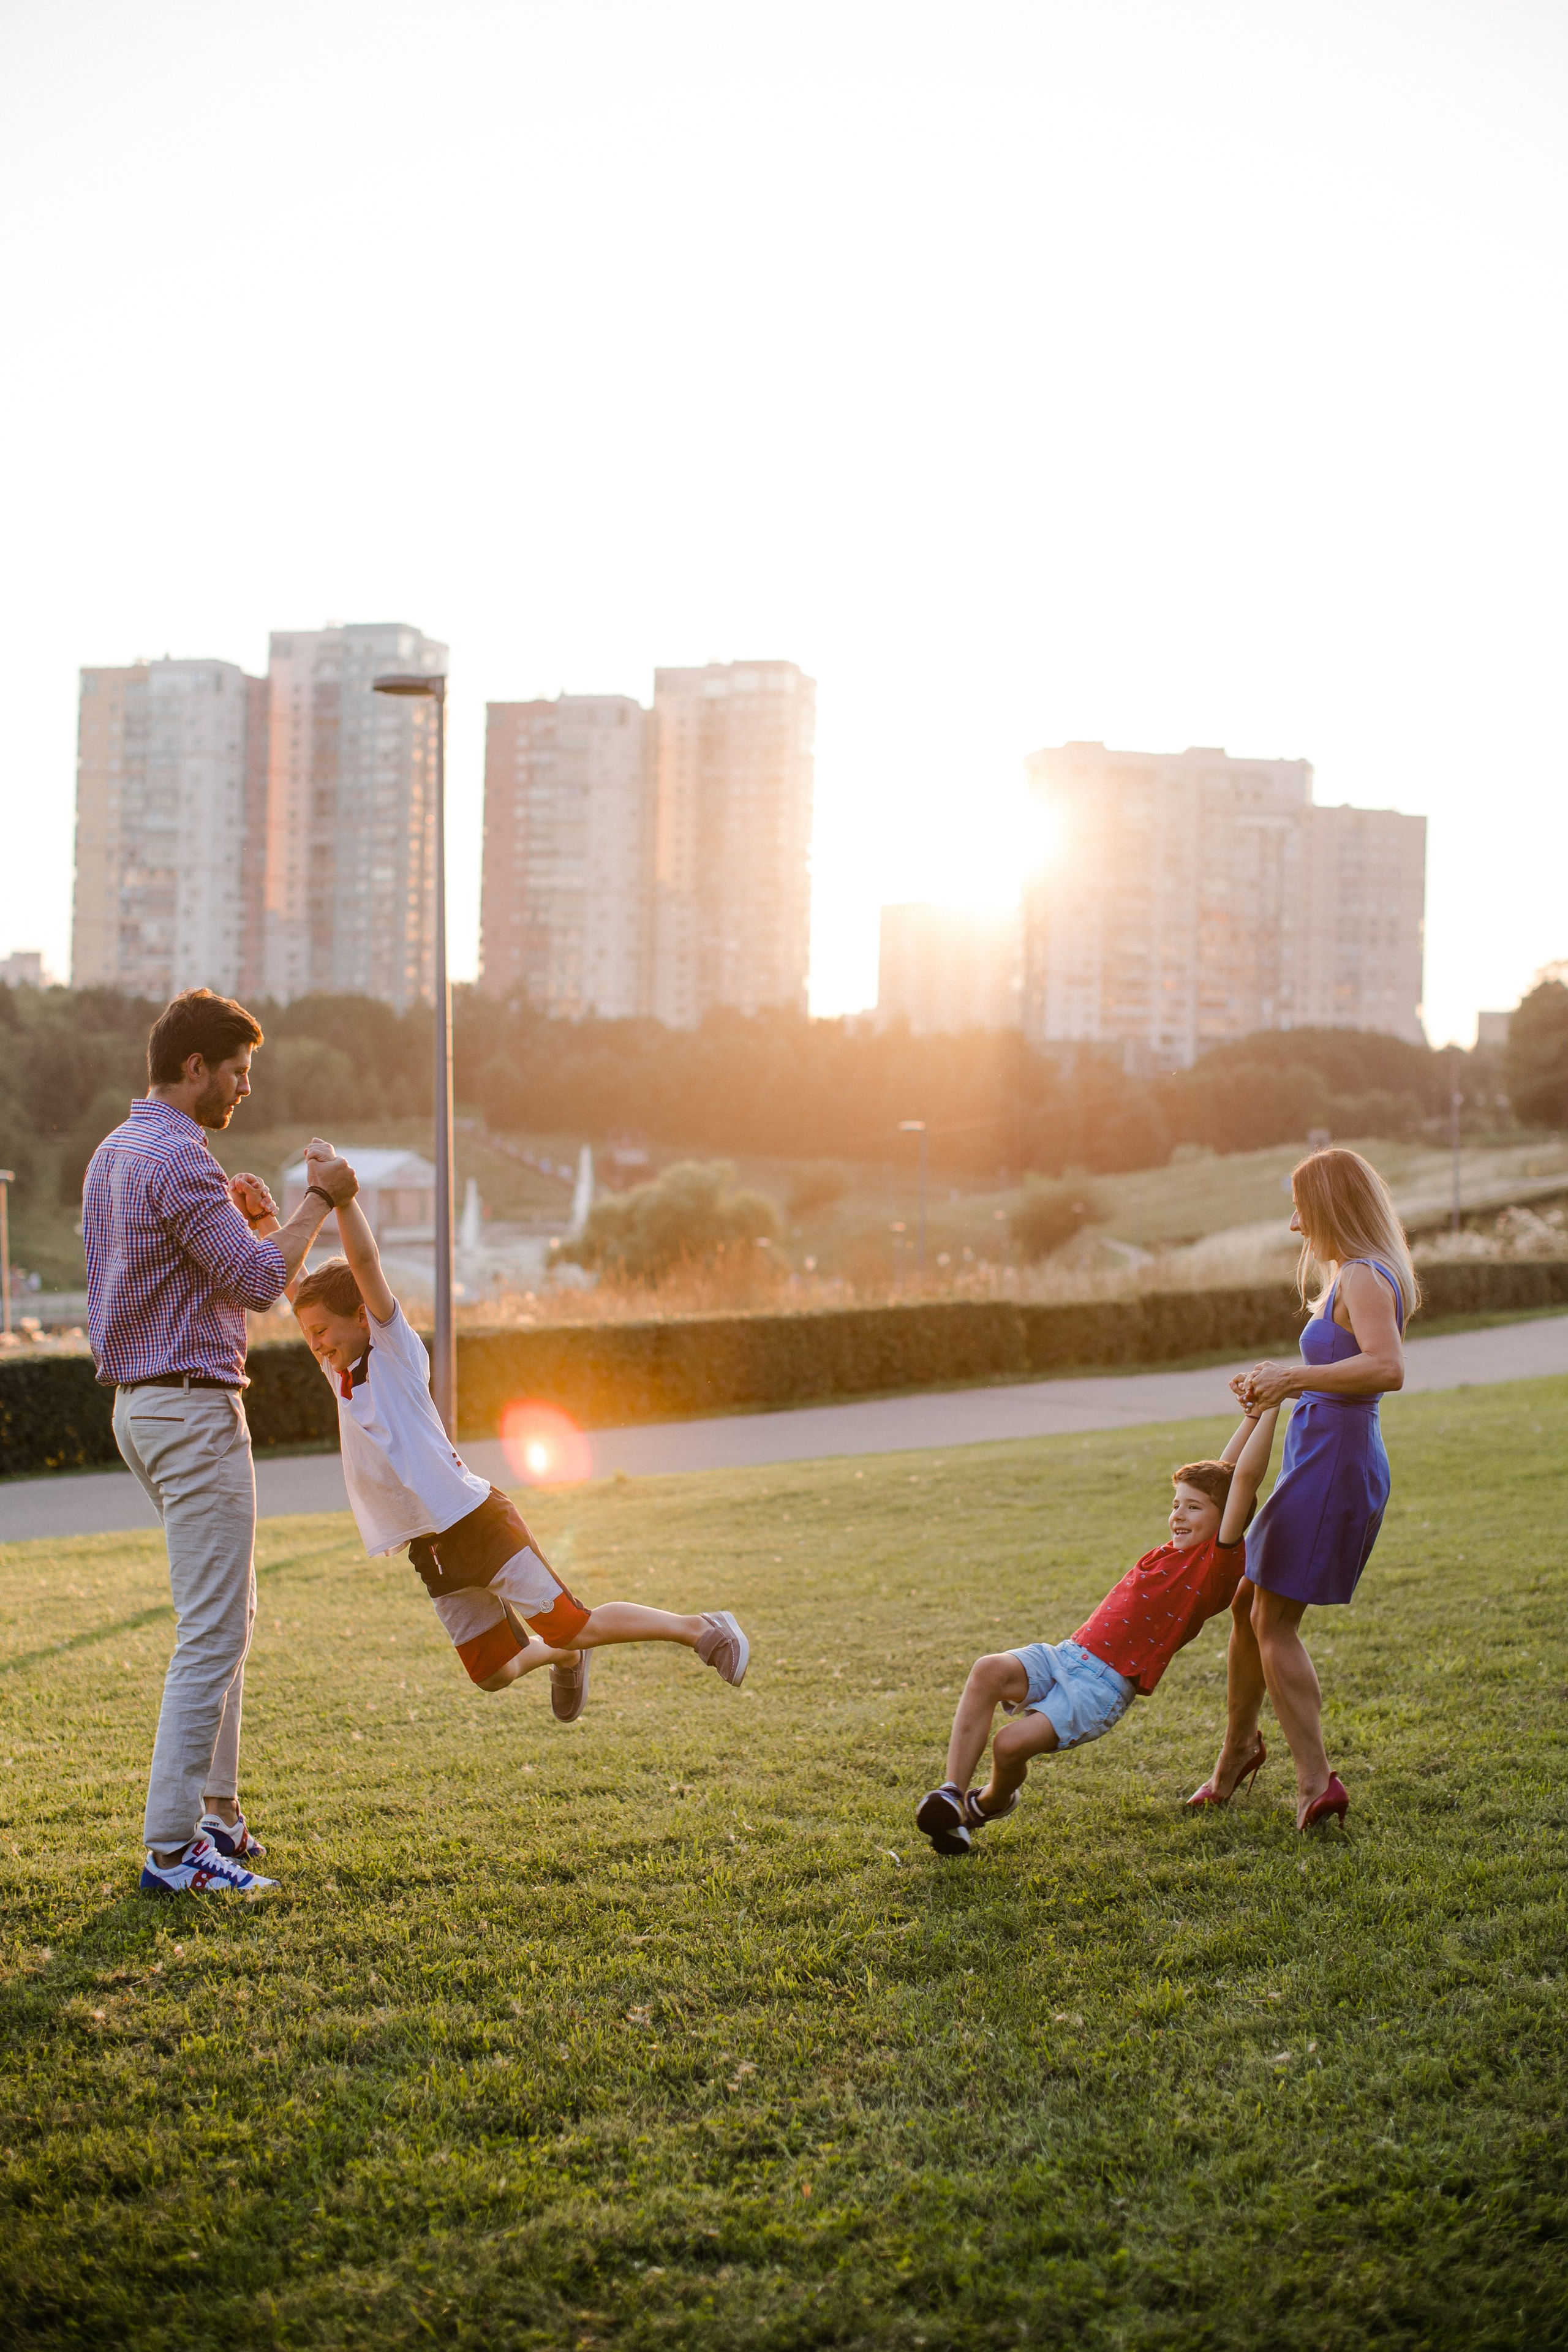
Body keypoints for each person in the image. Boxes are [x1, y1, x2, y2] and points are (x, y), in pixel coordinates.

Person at [282, 1142, 751, 1716]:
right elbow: (297, 1291)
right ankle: (565, 1659)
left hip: (474, 1521)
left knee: (572, 1623)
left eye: (324, 1332)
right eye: (309, 1336)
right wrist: (263, 1223)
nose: (317, 1344)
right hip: (429, 1546)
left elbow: (365, 1267)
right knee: (493, 1673)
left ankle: (701, 1630)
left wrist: (342, 1198)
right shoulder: (340, 1377)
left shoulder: (394, 1356)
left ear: (362, 1318)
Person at [83, 989, 359, 1899]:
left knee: (226, 1619)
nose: (244, 1087)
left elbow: (174, 1276)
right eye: (237, 1070)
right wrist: (318, 1201)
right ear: (195, 1066)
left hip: (139, 1409)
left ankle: (219, 1816)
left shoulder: (114, 1155)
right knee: (212, 1632)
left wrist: (245, 1217)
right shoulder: (181, 1160)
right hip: (194, 1410)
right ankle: (173, 1852)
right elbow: (253, 1284)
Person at [916, 1401, 1280, 1857]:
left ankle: (986, 1804)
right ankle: (952, 1792)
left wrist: (1272, 1408)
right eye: (1176, 1505)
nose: (1179, 1516)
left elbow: (1241, 1480)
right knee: (987, 1670)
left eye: (1194, 1508)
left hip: (1101, 1687)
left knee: (1009, 1746)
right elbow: (1226, 1474)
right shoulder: (1175, 1548)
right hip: (1067, 1655)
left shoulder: (1217, 1563)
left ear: (1229, 1517)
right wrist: (1251, 1413)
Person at [1191, 1145, 1416, 1831]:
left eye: (1301, 1207)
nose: (1295, 1224)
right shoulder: (1350, 1277)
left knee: (1272, 1620)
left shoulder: (1364, 1278)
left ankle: (1315, 1780)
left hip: (1335, 1466)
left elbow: (1386, 1369)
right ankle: (1237, 1754)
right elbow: (1340, 1364)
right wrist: (1277, 1381)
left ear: (1329, 1206)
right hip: (1317, 1458)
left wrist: (1293, 1379)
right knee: (1245, 1603)